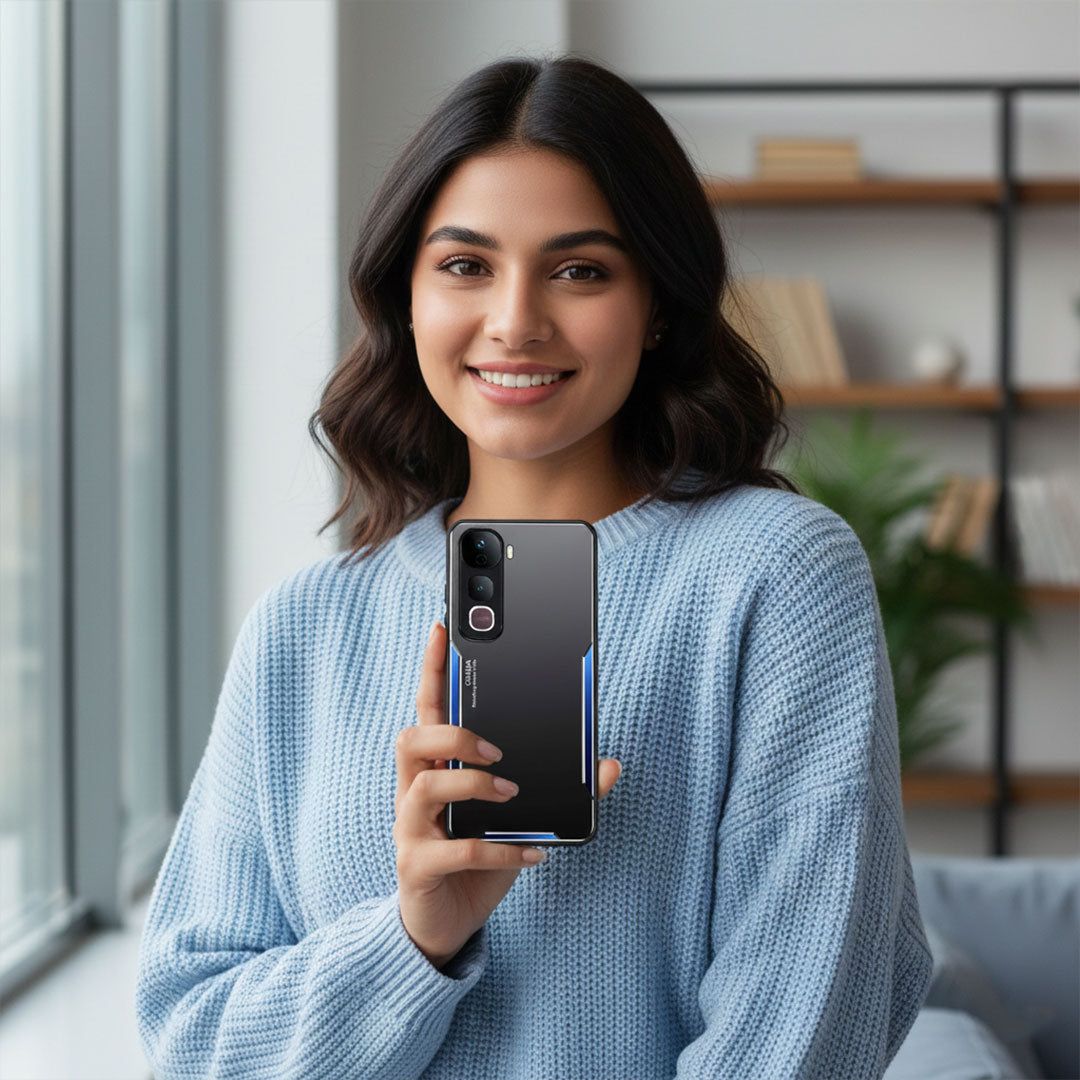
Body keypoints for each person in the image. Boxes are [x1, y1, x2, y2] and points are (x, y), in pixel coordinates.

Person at [135, 53, 933, 1079]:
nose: (515, 320)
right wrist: (417, 933)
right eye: (465, 266)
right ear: (406, 298)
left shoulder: (775, 577)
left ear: (656, 305)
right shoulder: (303, 628)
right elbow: (191, 1040)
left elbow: (804, 1032)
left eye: (580, 269)